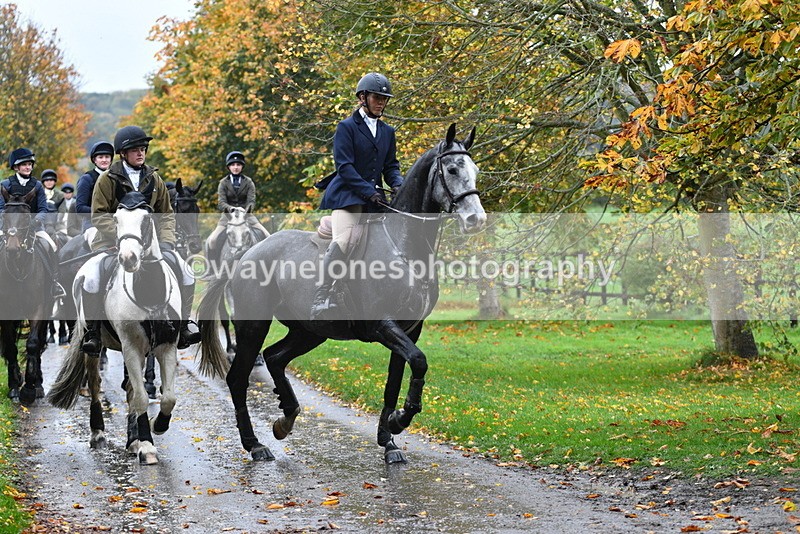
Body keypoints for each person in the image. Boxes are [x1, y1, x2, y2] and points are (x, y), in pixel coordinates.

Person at [79, 126, 200, 353]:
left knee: (185, 270)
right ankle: (93, 332)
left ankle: (184, 326)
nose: (141, 153)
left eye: (143, 149)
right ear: (123, 154)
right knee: (93, 275)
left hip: (151, 244)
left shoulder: (154, 178)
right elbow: (98, 214)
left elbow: (166, 215)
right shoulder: (107, 179)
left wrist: (166, 242)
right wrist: (124, 238)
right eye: (135, 150)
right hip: (113, 242)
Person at [310, 72, 403, 321]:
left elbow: (391, 166)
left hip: (375, 199)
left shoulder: (387, 131)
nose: (382, 102)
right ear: (363, 98)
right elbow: (345, 167)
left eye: (385, 98)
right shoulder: (347, 127)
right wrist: (368, 191)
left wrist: (398, 185)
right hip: (348, 196)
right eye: (377, 97)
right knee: (346, 239)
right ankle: (322, 295)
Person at [0, 148, 67, 299]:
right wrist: (8, 224)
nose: (28, 167)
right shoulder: (6, 185)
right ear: (16, 167)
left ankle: (55, 282)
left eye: (30, 164)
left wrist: (35, 221)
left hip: (33, 227)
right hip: (9, 228)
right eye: (24, 164)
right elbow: (0, 208)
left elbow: (43, 209)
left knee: (51, 245)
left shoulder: (37, 186)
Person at [204, 151, 270, 265]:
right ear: (229, 167)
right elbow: (221, 202)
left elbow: (251, 201)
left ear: (242, 166)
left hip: (246, 216)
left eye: (238, 165)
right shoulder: (223, 183)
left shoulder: (249, 182)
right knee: (212, 240)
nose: (235, 167)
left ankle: (268, 265)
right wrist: (232, 209)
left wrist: (246, 210)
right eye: (233, 165)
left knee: (268, 236)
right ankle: (212, 270)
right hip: (228, 217)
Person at [76, 141, 114, 245]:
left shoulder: (117, 179)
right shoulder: (86, 179)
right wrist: (103, 213)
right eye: (100, 157)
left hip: (113, 224)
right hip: (92, 225)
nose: (104, 160)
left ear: (111, 160)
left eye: (107, 157)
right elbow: (80, 208)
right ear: (94, 160)